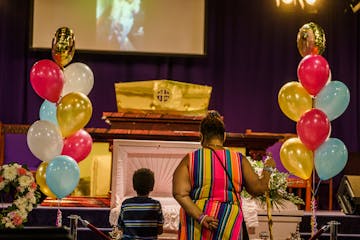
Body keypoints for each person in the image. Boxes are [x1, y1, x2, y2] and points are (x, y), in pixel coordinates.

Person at [172, 110, 276, 239]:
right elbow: (258, 189)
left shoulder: (191, 159)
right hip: (229, 222)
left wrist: (202, 216)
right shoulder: (238, 159)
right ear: (224, 137)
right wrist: (268, 169)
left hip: (196, 225)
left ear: (202, 136)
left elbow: (179, 193)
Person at [118, 168, 164, 239]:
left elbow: (120, 227)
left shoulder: (126, 204)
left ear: (134, 186)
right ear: (151, 187)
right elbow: (160, 231)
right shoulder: (156, 205)